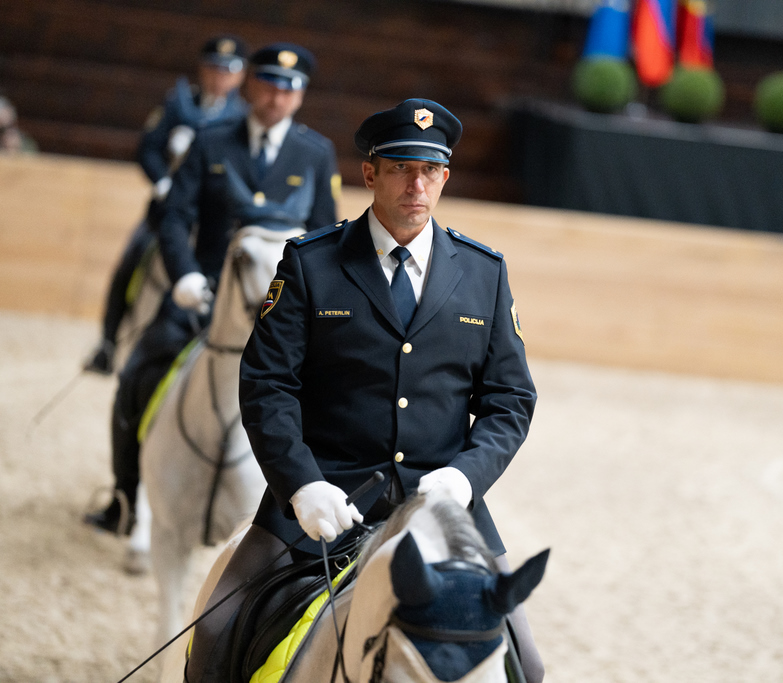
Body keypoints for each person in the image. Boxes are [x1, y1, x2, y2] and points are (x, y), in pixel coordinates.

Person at [183, 99, 545, 683]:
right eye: (401, 168)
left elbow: (510, 400)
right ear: (370, 173)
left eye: (429, 171)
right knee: (217, 632)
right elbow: (268, 385)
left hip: (443, 506)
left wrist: (464, 476)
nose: (415, 184)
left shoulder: (484, 273)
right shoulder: (311, 263)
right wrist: (301, 485)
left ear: (444, 179)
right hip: (320, 503)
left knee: (527, 662)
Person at [84, 41, 341, 535]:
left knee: (334, 395)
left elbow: (325, 234)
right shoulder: (211, 140)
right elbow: (177, 218)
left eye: (289, 89)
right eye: (268, 85)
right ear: (250, 86)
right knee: (136, 377)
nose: (276, 97)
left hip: (283, 309)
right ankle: (126, 498)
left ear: (301, 96)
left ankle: (307, 515)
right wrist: (183, 275)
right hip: (203, 298)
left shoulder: (316, 153)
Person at [84, 34, 250, 375]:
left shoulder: (241, 119)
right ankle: (108, 343)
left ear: (239, 76)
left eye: (227, 71)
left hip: (211, 220)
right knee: (130, 262)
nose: (219, 77)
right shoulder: (177, 104)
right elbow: (147, 148)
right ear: (202, 70)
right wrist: (163, 183)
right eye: (213, 68)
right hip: (165, 213)